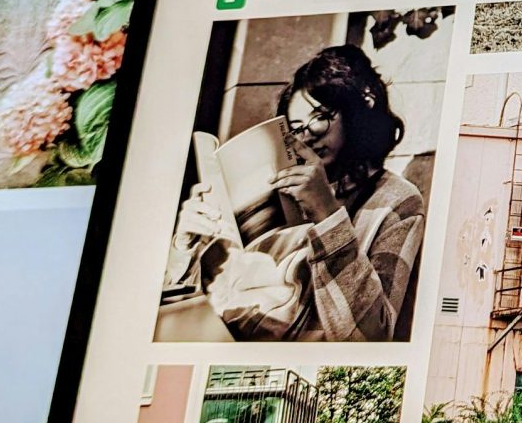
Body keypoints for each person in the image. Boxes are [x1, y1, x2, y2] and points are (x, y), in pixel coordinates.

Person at [170, 45, 425, 341]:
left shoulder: (396, 200)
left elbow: (368, 337)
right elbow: (204, 299)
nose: (307, 134)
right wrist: (185, 248)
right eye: (296, 127)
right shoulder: (282, 186)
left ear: (356, 112)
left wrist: (328, 217)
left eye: (320, 117)